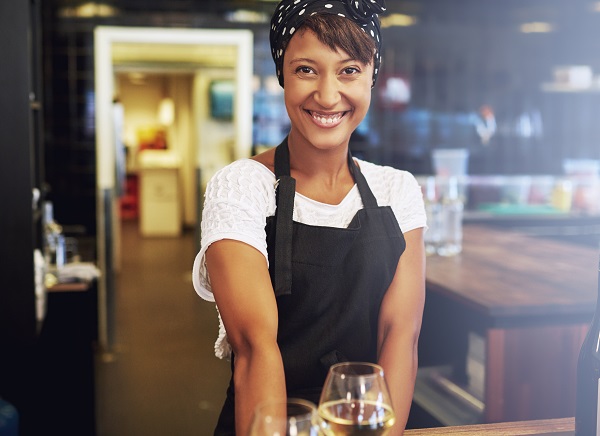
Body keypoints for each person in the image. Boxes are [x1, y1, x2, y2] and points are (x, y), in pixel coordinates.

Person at [192, 0, 427, 434]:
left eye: (349, 70)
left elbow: (400, 335)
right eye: (306, 70)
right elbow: (254, 347)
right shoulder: (243, 187)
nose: (327, 94)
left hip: (360, 425)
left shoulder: (398, 190)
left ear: (372, 78)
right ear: (282, 76)